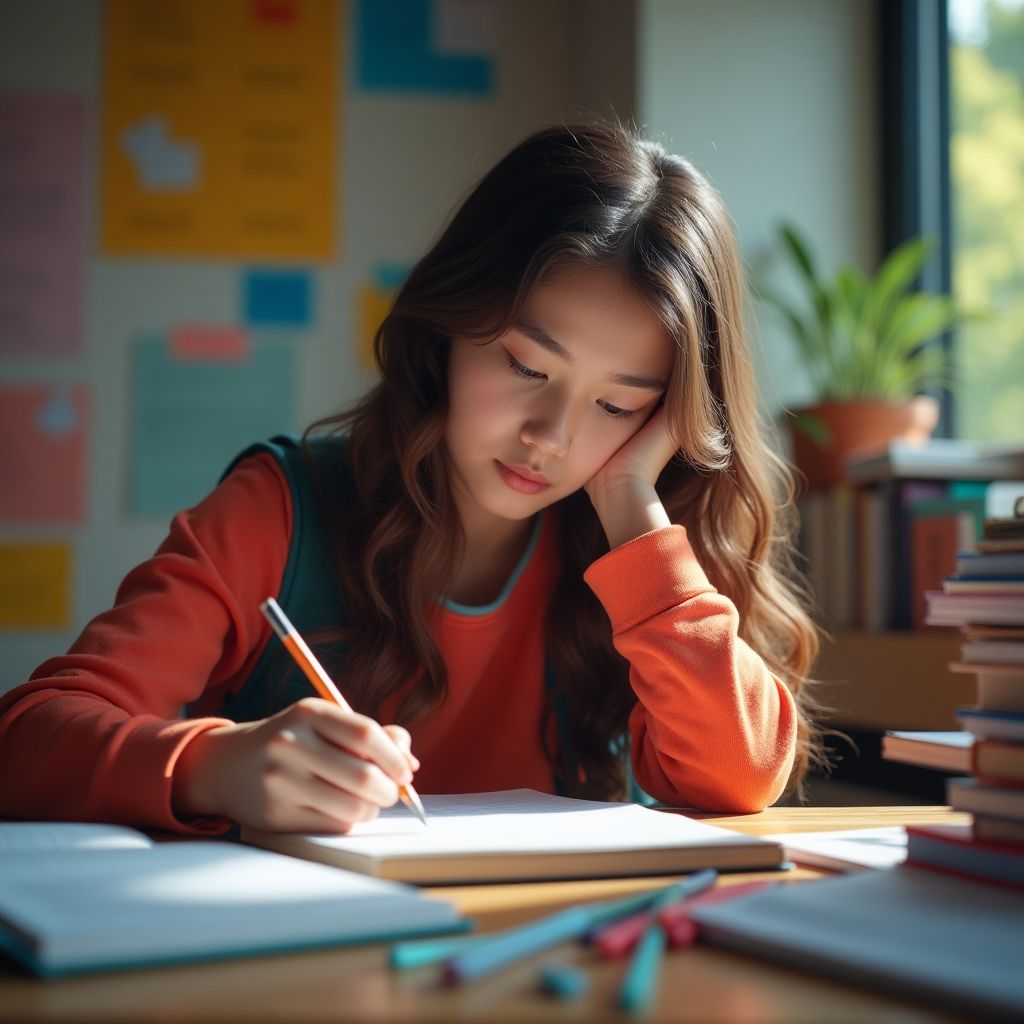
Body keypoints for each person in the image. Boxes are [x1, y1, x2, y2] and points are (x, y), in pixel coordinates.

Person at [0, 120, 820, 837]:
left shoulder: (635, 554)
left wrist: (632, 504)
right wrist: (214, 765)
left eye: (617, 404)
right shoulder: (279, 511)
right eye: (526, 366)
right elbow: (27, 741)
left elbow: (739, 778)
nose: (551, 438)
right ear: (449, 328)